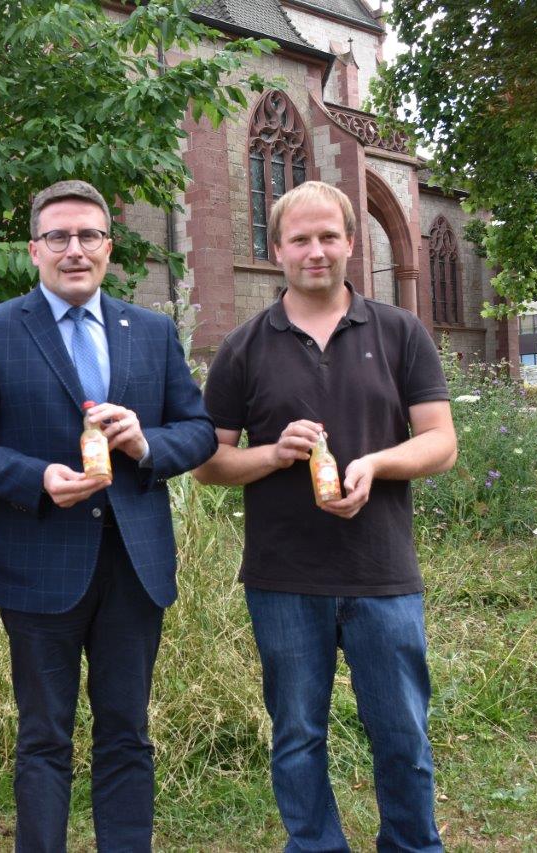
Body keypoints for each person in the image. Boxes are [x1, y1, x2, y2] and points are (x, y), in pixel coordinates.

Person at [0, 180, 217, 851]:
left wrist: (147, 443)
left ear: (108, 247)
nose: (74, 249)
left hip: (133, 562)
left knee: (126, 730)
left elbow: (199, 429)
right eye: (58, 237)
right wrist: (34, 478)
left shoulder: (150, 331)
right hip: (37, 564)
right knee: (43, 737)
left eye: (88, 235)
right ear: (34, 250)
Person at [192, 180, 457, 852]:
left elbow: (441, 442)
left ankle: (412, 844)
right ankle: (315, 845)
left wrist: (375, 465)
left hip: (382, 570)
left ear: (350, 243)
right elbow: (210, 463)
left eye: (329, 236)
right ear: (276, 247)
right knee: (298, 735)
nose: (316, 251)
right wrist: (275, 455)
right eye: (301, 239)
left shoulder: (399, 331)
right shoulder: (244, 346)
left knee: (402, 732)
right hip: (284, 576)